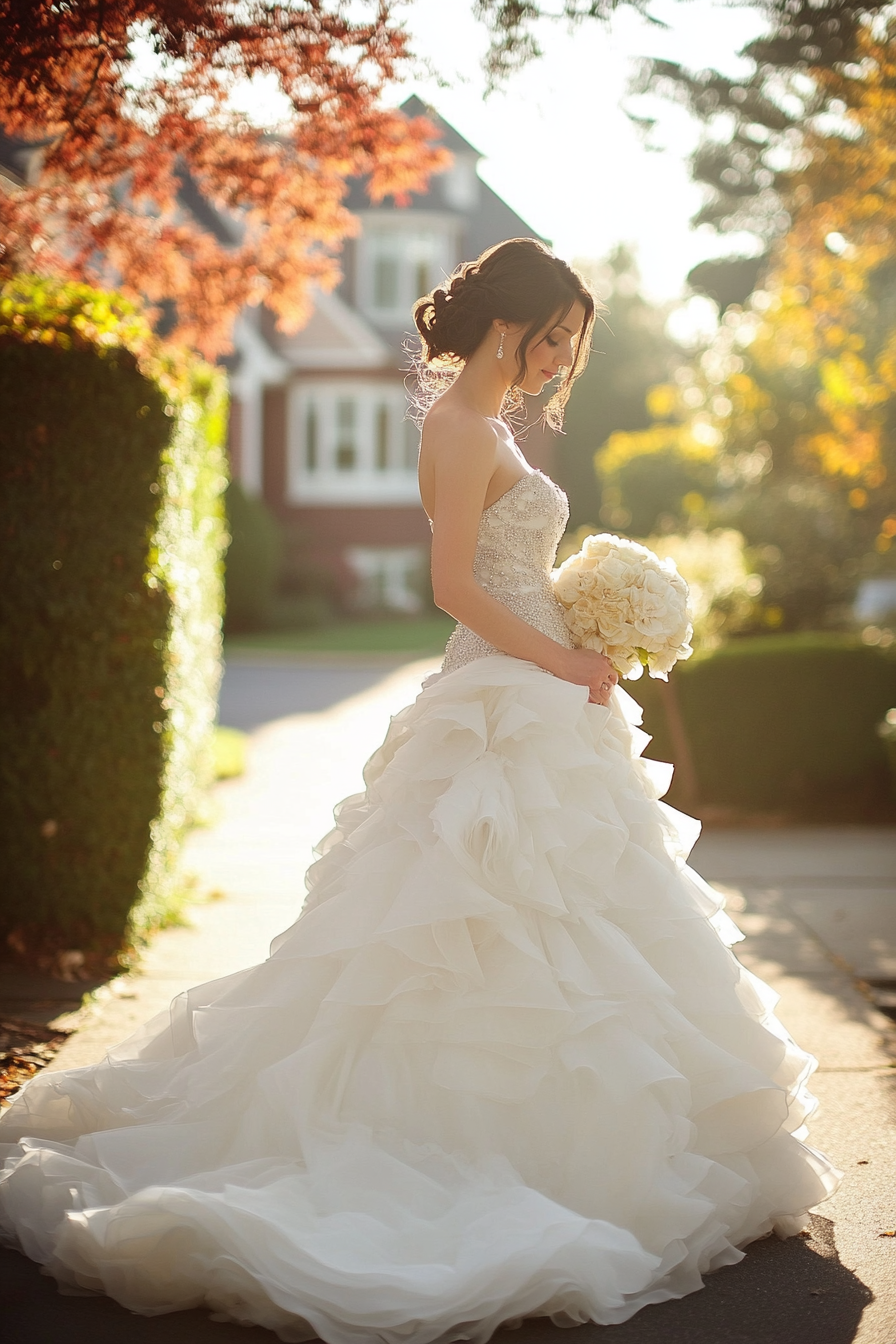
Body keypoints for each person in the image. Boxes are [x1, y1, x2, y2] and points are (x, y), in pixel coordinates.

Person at [0, 238, 838, 1344]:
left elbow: (507, 575)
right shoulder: (455, 428)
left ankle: (573, 1134)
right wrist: (562, 657)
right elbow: (454, 587)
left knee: (570, 923)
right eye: (553, 339)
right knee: (474, 922)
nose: (556, 361)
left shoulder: (482, 429)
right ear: (509, 324)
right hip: (504, 697)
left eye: (569, 347)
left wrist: (581, 619)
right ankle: (469, 1146)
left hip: (538, 689)